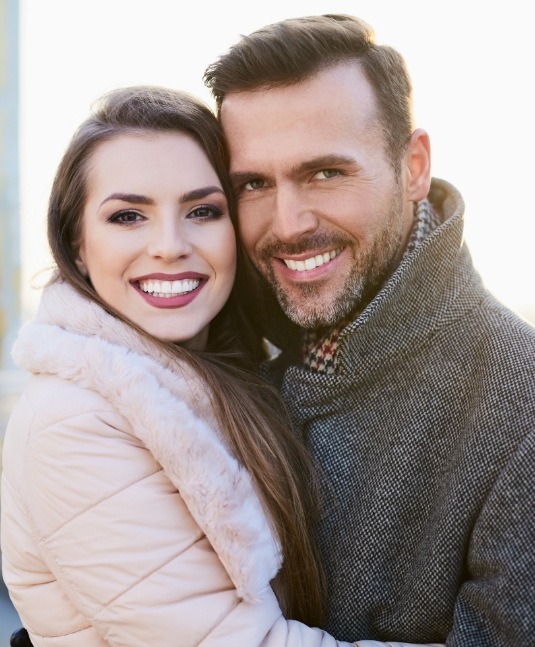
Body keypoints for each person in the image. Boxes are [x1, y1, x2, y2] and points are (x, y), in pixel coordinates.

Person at [1, 85, 414, 647]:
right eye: (127, 216)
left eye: (202, 211)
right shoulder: (73, 420)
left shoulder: (231, 374)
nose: (170, 245)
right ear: (77, 246)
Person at [203, 13, 535, 646]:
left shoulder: (520, 408)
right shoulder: (207, 360)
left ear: (413, 168)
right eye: (254, 183)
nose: (290, 222)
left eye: (325, 172)